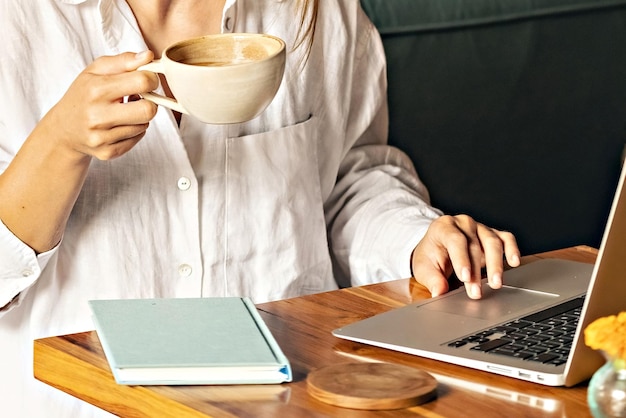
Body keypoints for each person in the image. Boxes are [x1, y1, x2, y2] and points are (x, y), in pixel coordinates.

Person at [0, 0, 520, 416]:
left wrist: (416, 238)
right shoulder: (18, 25)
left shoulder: (317, 14)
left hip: (292, 396)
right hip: (78, 401)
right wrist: (59, 145)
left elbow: (347, 179)